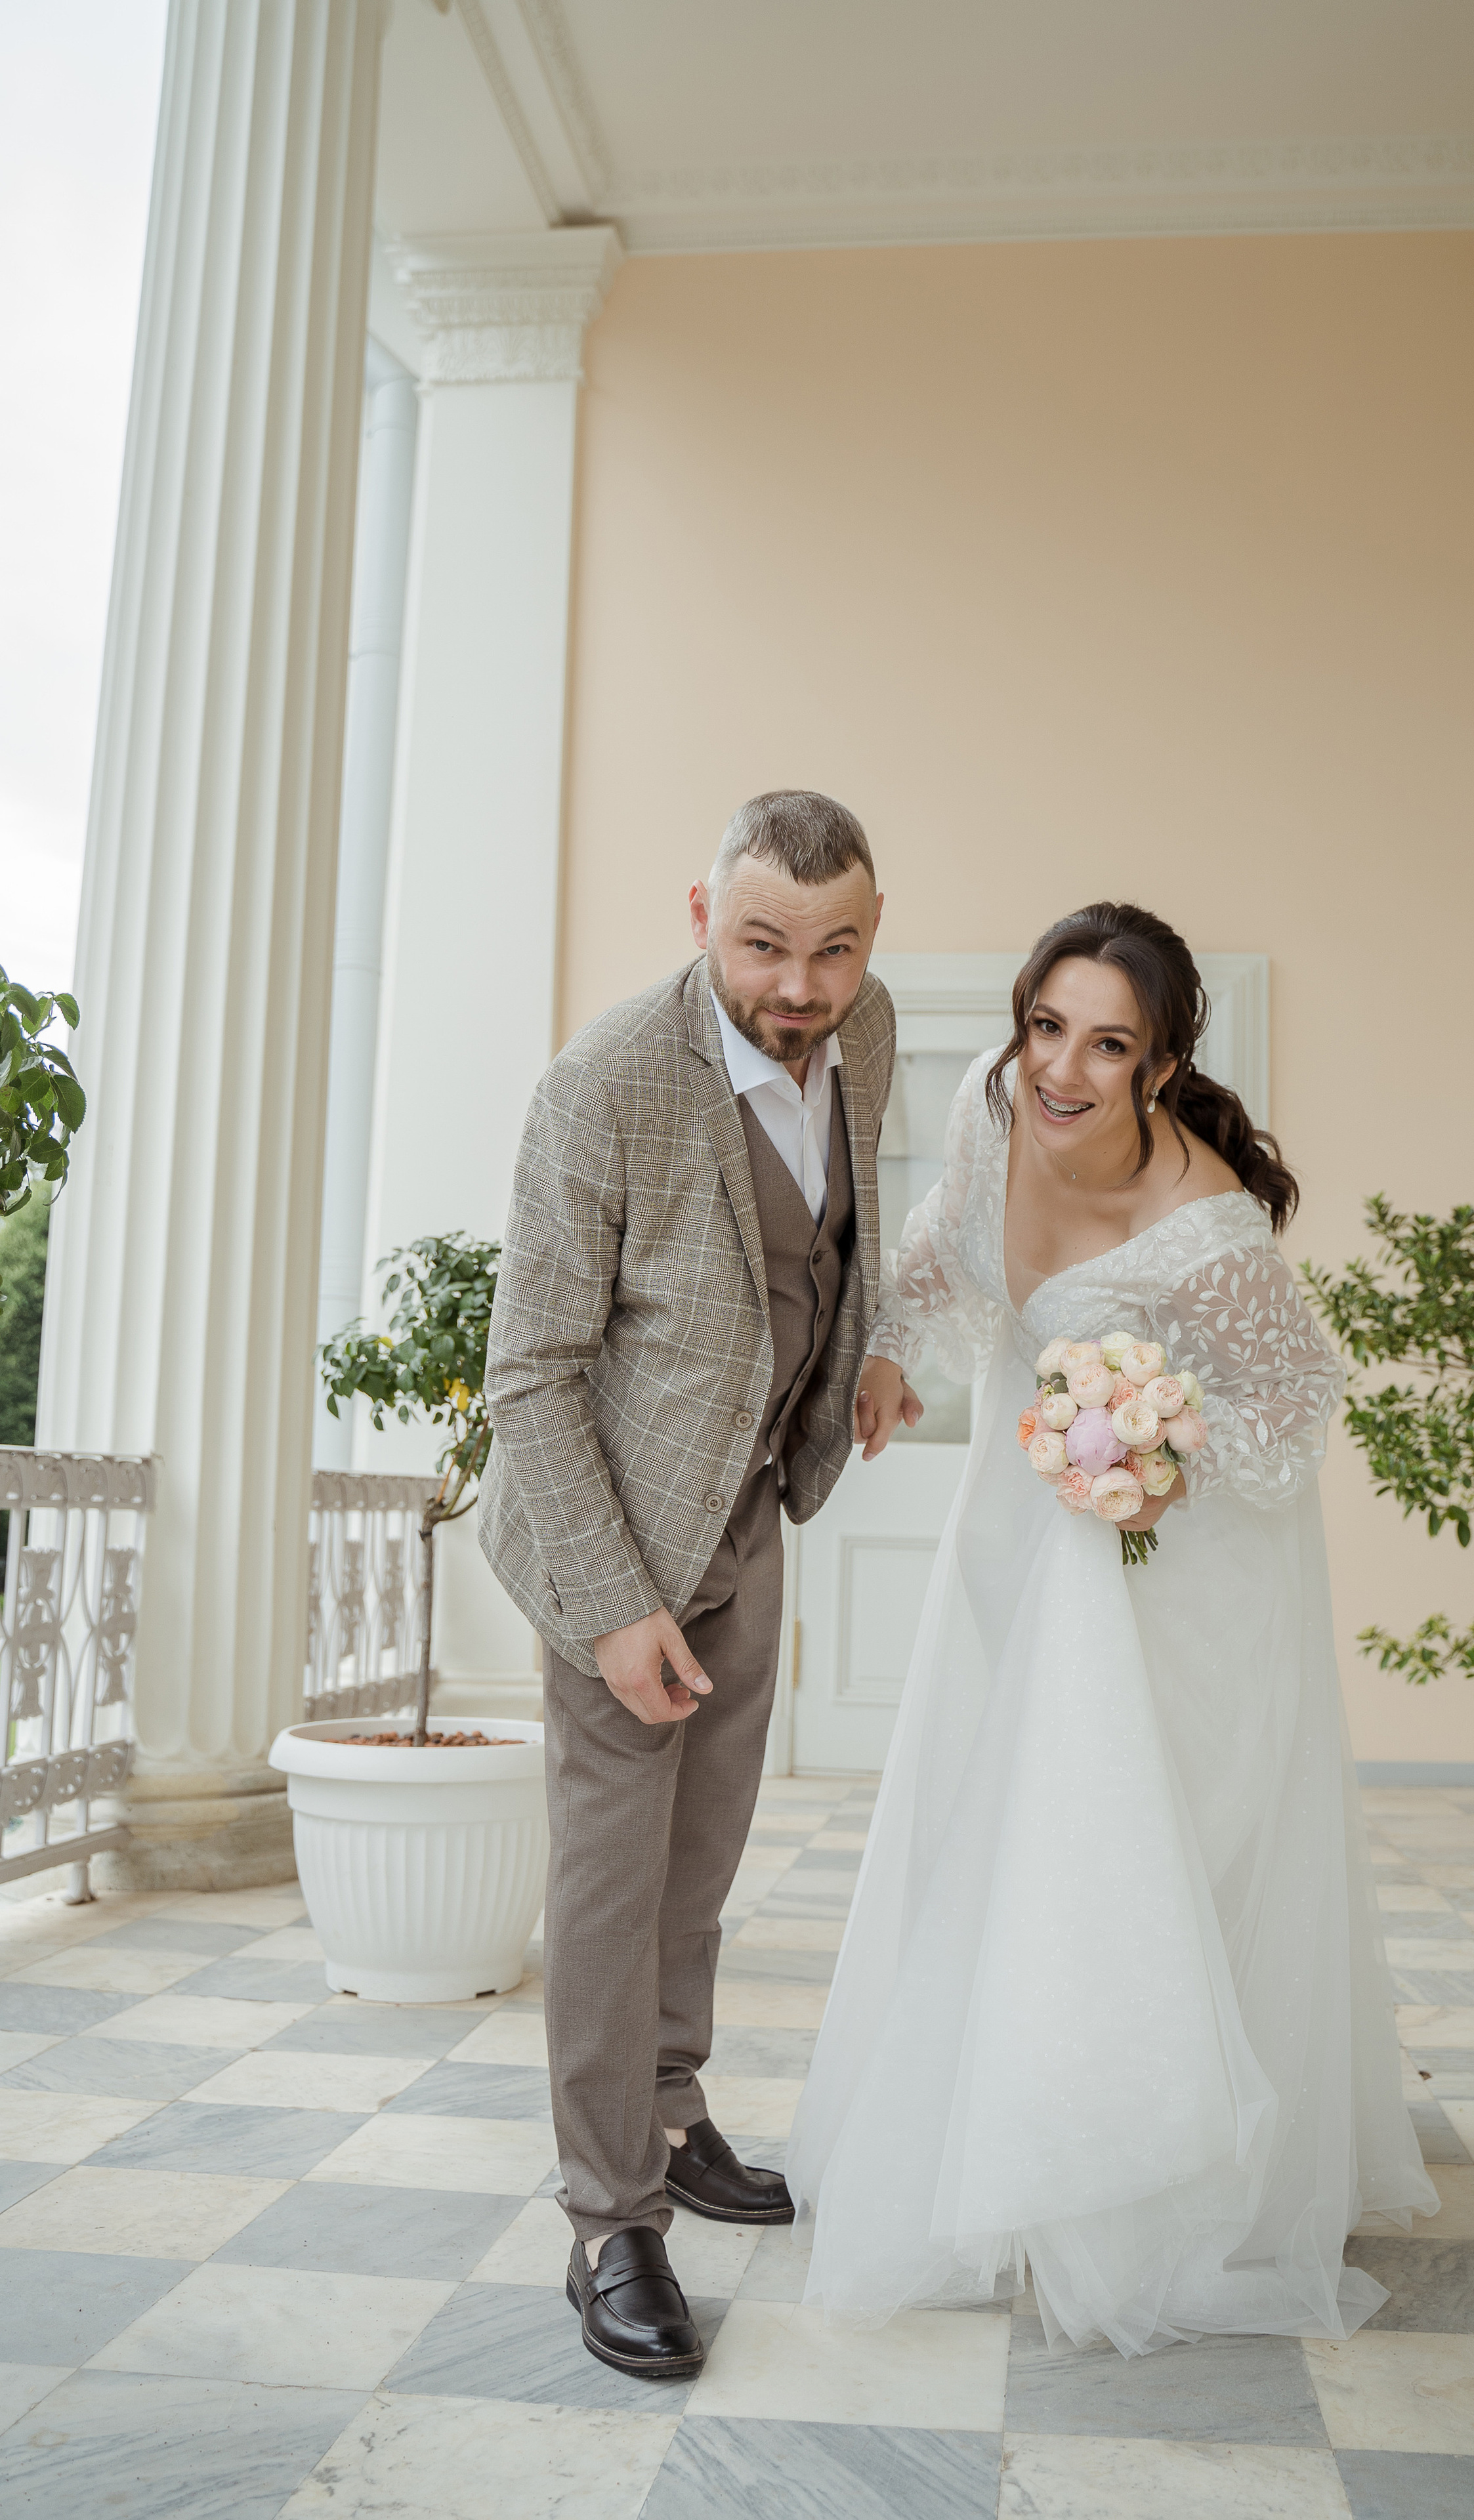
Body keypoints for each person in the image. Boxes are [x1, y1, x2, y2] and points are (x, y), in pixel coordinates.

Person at [786, 900, 1437, 2354]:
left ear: (1156, 1067)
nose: (1060, 1070)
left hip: (1167, 1570)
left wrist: (1147, 1444)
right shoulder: (986, 1106)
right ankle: (983, 2131)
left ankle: (1123, 2170)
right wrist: (893, 1359)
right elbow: (953, 1258)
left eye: (1106, 1044)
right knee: (977, 1815)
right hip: (1013, 1530)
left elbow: (1290, 1407)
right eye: (1042, 1027)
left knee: (1114, 1844)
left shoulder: (1200, 1225)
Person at [479, 791, 897, 2380]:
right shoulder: (601, 1088)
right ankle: (607, 2216)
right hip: (612, 1544)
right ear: (699, 914)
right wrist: (610, 1604)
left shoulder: (864, 1042)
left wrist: (867, 1356)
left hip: (748, 1513)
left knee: (701, 1854)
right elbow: (528, 1374)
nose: (799, 987)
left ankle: (671, 2106)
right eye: (763, 945)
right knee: (606, 1878)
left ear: (869, 935)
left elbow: (841, 1247)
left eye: (833, 948)